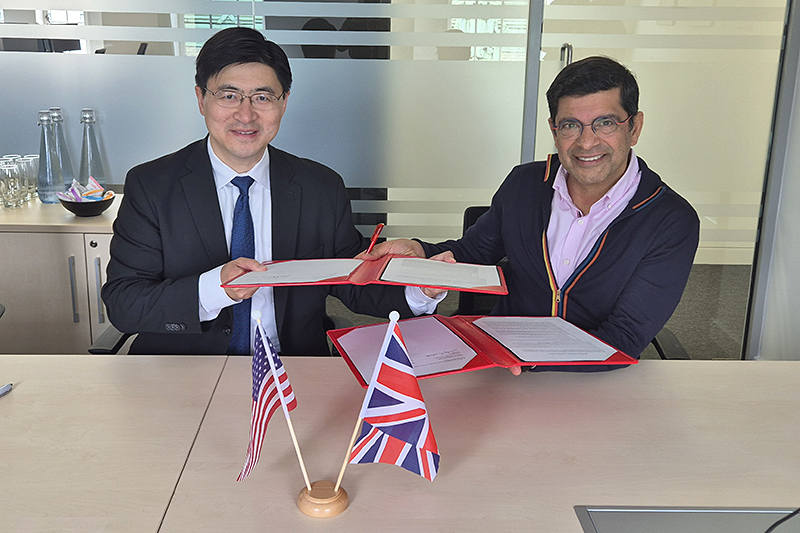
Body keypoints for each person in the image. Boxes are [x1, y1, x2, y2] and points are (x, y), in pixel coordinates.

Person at [102, 27, 436, 356]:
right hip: (183, 372)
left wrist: (420, 288)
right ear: (202, 99)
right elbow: (125, 304)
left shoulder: (320, 187)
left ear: (284, 102)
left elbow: (352, 282)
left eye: (262, 97)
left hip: (294, 374)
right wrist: (217, 289)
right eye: (228, 95)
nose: (246, 114)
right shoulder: (153, 186)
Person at [360, 56, 700, 362]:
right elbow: (470, 254)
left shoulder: (670, 220)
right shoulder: (525, 184)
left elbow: (624, 337)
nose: (586, 142)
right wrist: (420, 251)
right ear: (555, 130)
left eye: (605, 123)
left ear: (634, 127)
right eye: (570, 125)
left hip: (589, 382)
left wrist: (527, 359)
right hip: (498, 367)